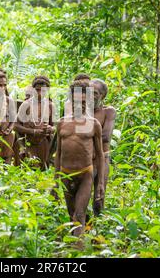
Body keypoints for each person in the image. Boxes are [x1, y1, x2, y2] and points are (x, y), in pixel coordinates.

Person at [54, 80, 104, 237]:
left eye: (84, 101)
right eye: (77, 101)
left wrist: (100, 183)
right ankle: (72, 249)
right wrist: (56, 181)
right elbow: (59, 153)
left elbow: (100, 155)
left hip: (85, 174)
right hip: (65, 174)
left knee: (79, 215)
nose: (80, 105)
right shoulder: (62, 123)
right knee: (71, 215)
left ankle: (78, 249)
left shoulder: (94, 124)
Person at [15, 76, 56, 170]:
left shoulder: (50, 106)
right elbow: (16, 126)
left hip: (44, 143)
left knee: (43, 169)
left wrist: (50, 129)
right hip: (29, 143)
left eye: (43, 91)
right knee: (30, 169)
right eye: (37, 90)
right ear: (33, 89)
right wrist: (32, 131)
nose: (40, 93)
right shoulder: (26, 105)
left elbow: (54, 127)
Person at [90, 79, 116, 216]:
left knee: (99, 198)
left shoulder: (108, 112)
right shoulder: (81, 112)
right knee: (81, 196)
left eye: (95, 93)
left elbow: (105, 136)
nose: (90, 96)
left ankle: (98, 227)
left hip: (102, 158)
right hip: (86, 159)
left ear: (102, 96)